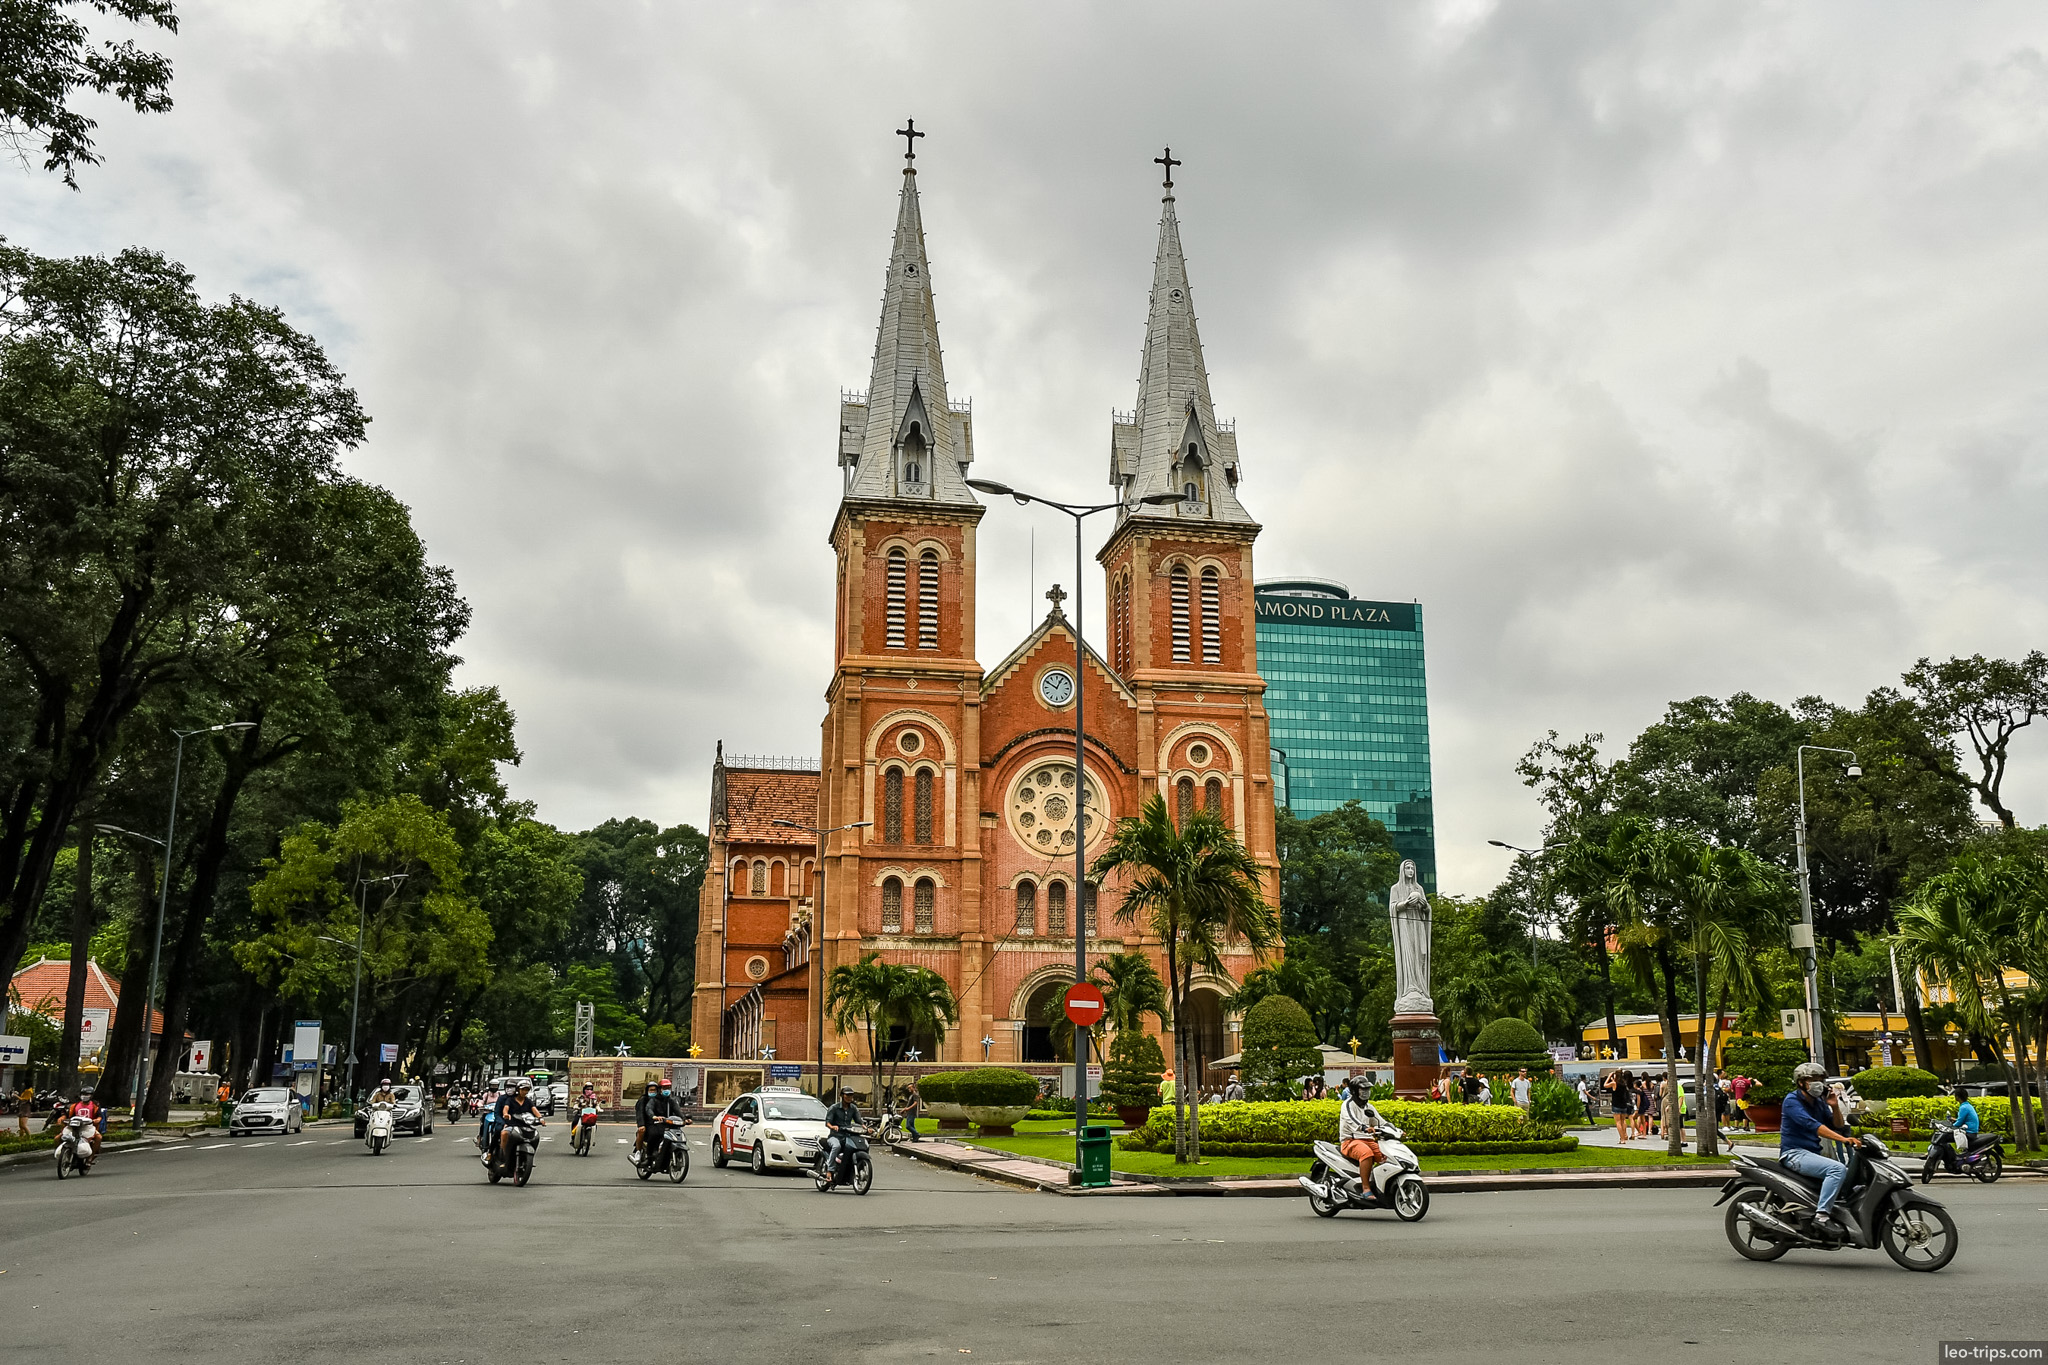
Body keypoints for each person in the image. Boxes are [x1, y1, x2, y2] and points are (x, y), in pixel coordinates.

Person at [1778, 1061, 1861, 1240]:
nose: (1818, 1084)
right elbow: (1812, 1125)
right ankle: (1822, 1217)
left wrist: (1834, 1105)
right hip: (1794, 1153)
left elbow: (1837, 1125)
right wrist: (1843, 1139)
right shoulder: (1792, 1100)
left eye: (1821, 1080)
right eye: (1813, 1080)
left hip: (1812, 1154)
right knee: (1837, 1169)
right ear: (1801, 1082)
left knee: (1852, 1176)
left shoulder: (1818, 1102)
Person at [1336, 1076, 1384, 1197]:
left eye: (1367, 1089)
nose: (1366, 1092)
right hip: (1350, 1141)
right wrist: (1363, 1127)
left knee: (1384, 1157)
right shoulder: (1347, 1105)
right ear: (1354, 1091)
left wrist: (1395, 1130)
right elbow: (1351, 1120)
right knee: (1366, 1154)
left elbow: (1380, 1121)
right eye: (1363, 1089)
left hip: (1368, 1140)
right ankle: (1366, 1188)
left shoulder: (1369, 1107)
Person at [487, 1077, 545, 1166]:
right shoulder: (505, 1099)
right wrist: (504, 1120)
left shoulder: (526, 1100)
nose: (524, 1092)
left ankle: (527, 1157)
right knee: (500, 1132)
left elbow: (534, 1110)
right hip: (505, 1122)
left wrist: (540, 1118)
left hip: (522, 1124)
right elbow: (501, 1111)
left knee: (534, 1134)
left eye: (526, 1090)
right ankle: (496, 1154)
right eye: (523, 1090)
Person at [634, 1077, 682, 1164]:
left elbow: (677, 1110)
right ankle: (645, 1155)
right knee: (652, 1134)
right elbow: (644, 1111)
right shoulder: (645, 1100)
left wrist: (684, 1119)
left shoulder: (669, 1100)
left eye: (654, 1090)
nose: (653, 1092)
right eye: (651, 1090)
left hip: (663, 1123)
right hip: (649, 1123)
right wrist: (648, 1120)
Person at [821, 1086, 862, 1179]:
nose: (849, 1097)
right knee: (836, 1146)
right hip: (835, 1136)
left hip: (848, 1136)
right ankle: (829, 1170)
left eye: (851, 1095)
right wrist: (833, 1127)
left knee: (855, 1147)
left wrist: (866, 1128)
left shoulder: (853, 1108)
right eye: (847, 1095)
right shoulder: (834, 1108)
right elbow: (827, 1122)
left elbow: (859, 1121)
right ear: (842, 1096)